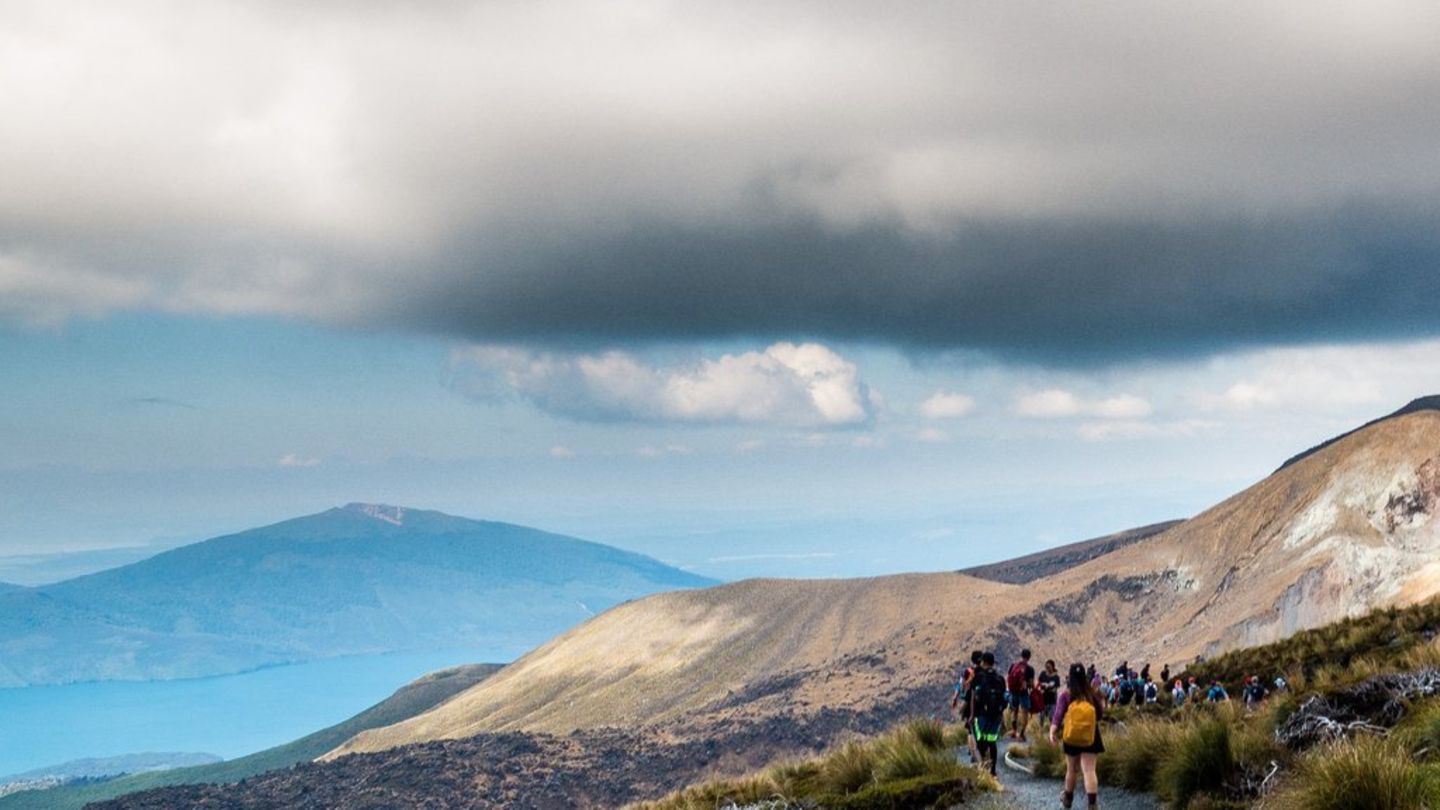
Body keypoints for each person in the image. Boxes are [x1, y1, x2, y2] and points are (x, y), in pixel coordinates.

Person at [1052, 662, 1105, 810]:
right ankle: (1092, 804)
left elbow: (1057, 716)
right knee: (1089, 770)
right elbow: (1100, 715)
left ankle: (1068, 799)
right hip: (1091, 736)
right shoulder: (1091, 695)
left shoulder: (1066, 695)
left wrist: (1052, 732)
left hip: (1071, 736)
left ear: (1070, 677)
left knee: (1072, 769)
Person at [968, 652, 1008, 776]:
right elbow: (1003, 697)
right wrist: (1002, 717)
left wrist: (972, 715)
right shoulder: (1000, 678)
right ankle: (993, 771)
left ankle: (982, 768)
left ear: (983, 662)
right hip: (996, 715)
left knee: (981, 741)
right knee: (992, 742)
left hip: (981, 715)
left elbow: (973, 698)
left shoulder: (978, 677)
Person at [951, 650, 983, 763]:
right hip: (982, 703)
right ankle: (981, 749)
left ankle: (973, 752)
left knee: (971, 729)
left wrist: (955, 698)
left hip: (968, 703)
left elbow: (960, 685)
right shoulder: (984, 671)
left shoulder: (967, 671)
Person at [1006, 648, 1037, 741]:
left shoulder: (1013, 665)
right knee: (1025, 714)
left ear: (1021, 655)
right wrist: (1032, 687)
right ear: (1029, 657)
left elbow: (1009, 677)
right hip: (1023, 693)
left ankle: (1014, 731)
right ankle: (1022, 734)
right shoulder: (1030, 669)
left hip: (1013, 692)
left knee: (1014, 712)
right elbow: (1031, 684)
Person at [1038, 659, 1062, 731]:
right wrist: (1041, 688)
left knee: (1051, 717)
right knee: (1041, 717)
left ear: (1053, 667)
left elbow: (1056, 688)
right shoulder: (1042, 674)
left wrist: (1048, 688)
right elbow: (1039, 683)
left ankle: (1052, 732)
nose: (1047, 668)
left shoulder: (1056, 677)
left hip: (1052, 701)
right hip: (1043, 700)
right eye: (1046, 667)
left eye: (1049, 667)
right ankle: (1040, 731)